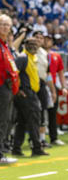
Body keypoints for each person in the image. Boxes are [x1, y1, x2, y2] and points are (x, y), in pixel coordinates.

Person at [11, 38, 48, 157]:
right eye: (30, 44)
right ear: (25, 45)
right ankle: (36, 148)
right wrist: (19, 90)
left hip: (29, 93)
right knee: (34, 120)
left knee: (22, 122)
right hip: (26, 93)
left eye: (35, 44)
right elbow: (14, 73)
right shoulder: (23, 57)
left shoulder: (32, 58)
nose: (33, 46)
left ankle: (16, 148)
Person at [43, 33, 68, 146]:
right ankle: (39, 138)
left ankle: (54, 138)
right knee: (40, 112)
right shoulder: (38, 54)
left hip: (53, 85)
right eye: (45, 39)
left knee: (53, 113)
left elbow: (61, 73)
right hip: (41, 84)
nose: (46, 41)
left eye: (49, 39)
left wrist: (64, 87)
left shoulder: (56, 56)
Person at [0, 14, 19, 164]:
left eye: (7, 24)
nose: (5, 27)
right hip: (1, 86)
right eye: (2, 24)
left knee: (5, 121)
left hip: (7, 88)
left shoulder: (6, 46)